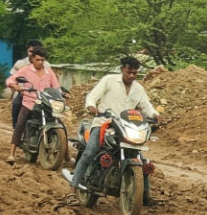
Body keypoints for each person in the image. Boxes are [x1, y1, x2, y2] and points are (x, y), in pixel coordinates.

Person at [68, 56, 161, 204]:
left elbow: (146, 106)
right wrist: (91, 106)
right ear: (122, 69)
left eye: (135, 73)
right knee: (90, 151)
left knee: (142, 160)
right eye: (129, 72)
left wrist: (155, 115)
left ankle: (145, 196)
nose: (132, 75)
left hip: (126, 128)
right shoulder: (109, 80)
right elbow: (92, 97)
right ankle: (72, 191)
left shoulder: (138, 89)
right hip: (104, 124)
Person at [4, 46, 60, 165]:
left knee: (60, 124)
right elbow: (10, 80)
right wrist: (15, 86)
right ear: (32, 59)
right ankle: (11, 154)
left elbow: (56, 87)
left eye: (42, 60)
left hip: (45, 104)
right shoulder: (25, 70)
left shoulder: (49, 72)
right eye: (37, 60)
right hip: (29, 103)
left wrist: (62, 94)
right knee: (20, 124)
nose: (40, 62)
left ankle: (66, 156)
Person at [9, 39, 43, 128]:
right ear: (27, 51)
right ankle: (16, 127)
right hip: (24, 93)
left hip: (41, 95)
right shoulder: (20, 64)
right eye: (30, 51)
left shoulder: (46, 65)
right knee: (16, 104)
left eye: (35, 51)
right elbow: (12, 78)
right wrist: (16, 87)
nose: (32, 54)